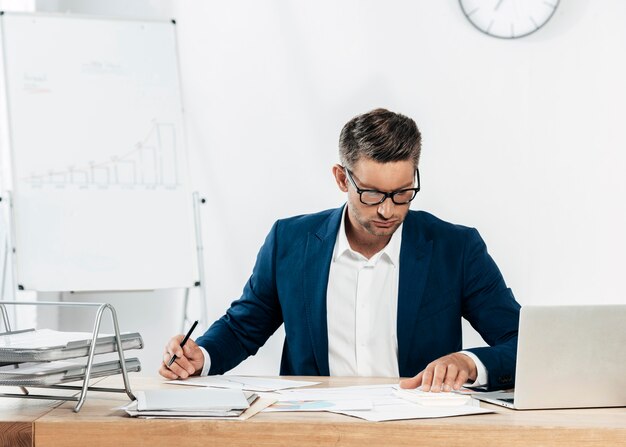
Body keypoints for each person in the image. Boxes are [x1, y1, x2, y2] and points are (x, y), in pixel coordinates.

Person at [159, 108, 521, 392]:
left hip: (417, 428)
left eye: (402, 193)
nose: (387, 210)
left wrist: (469, 362)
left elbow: (522, 341)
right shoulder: (290, 241)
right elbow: (242, 329)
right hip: (314, 427)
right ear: (340, 178)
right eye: (373, 193)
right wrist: (200, 356)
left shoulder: (455, 248)